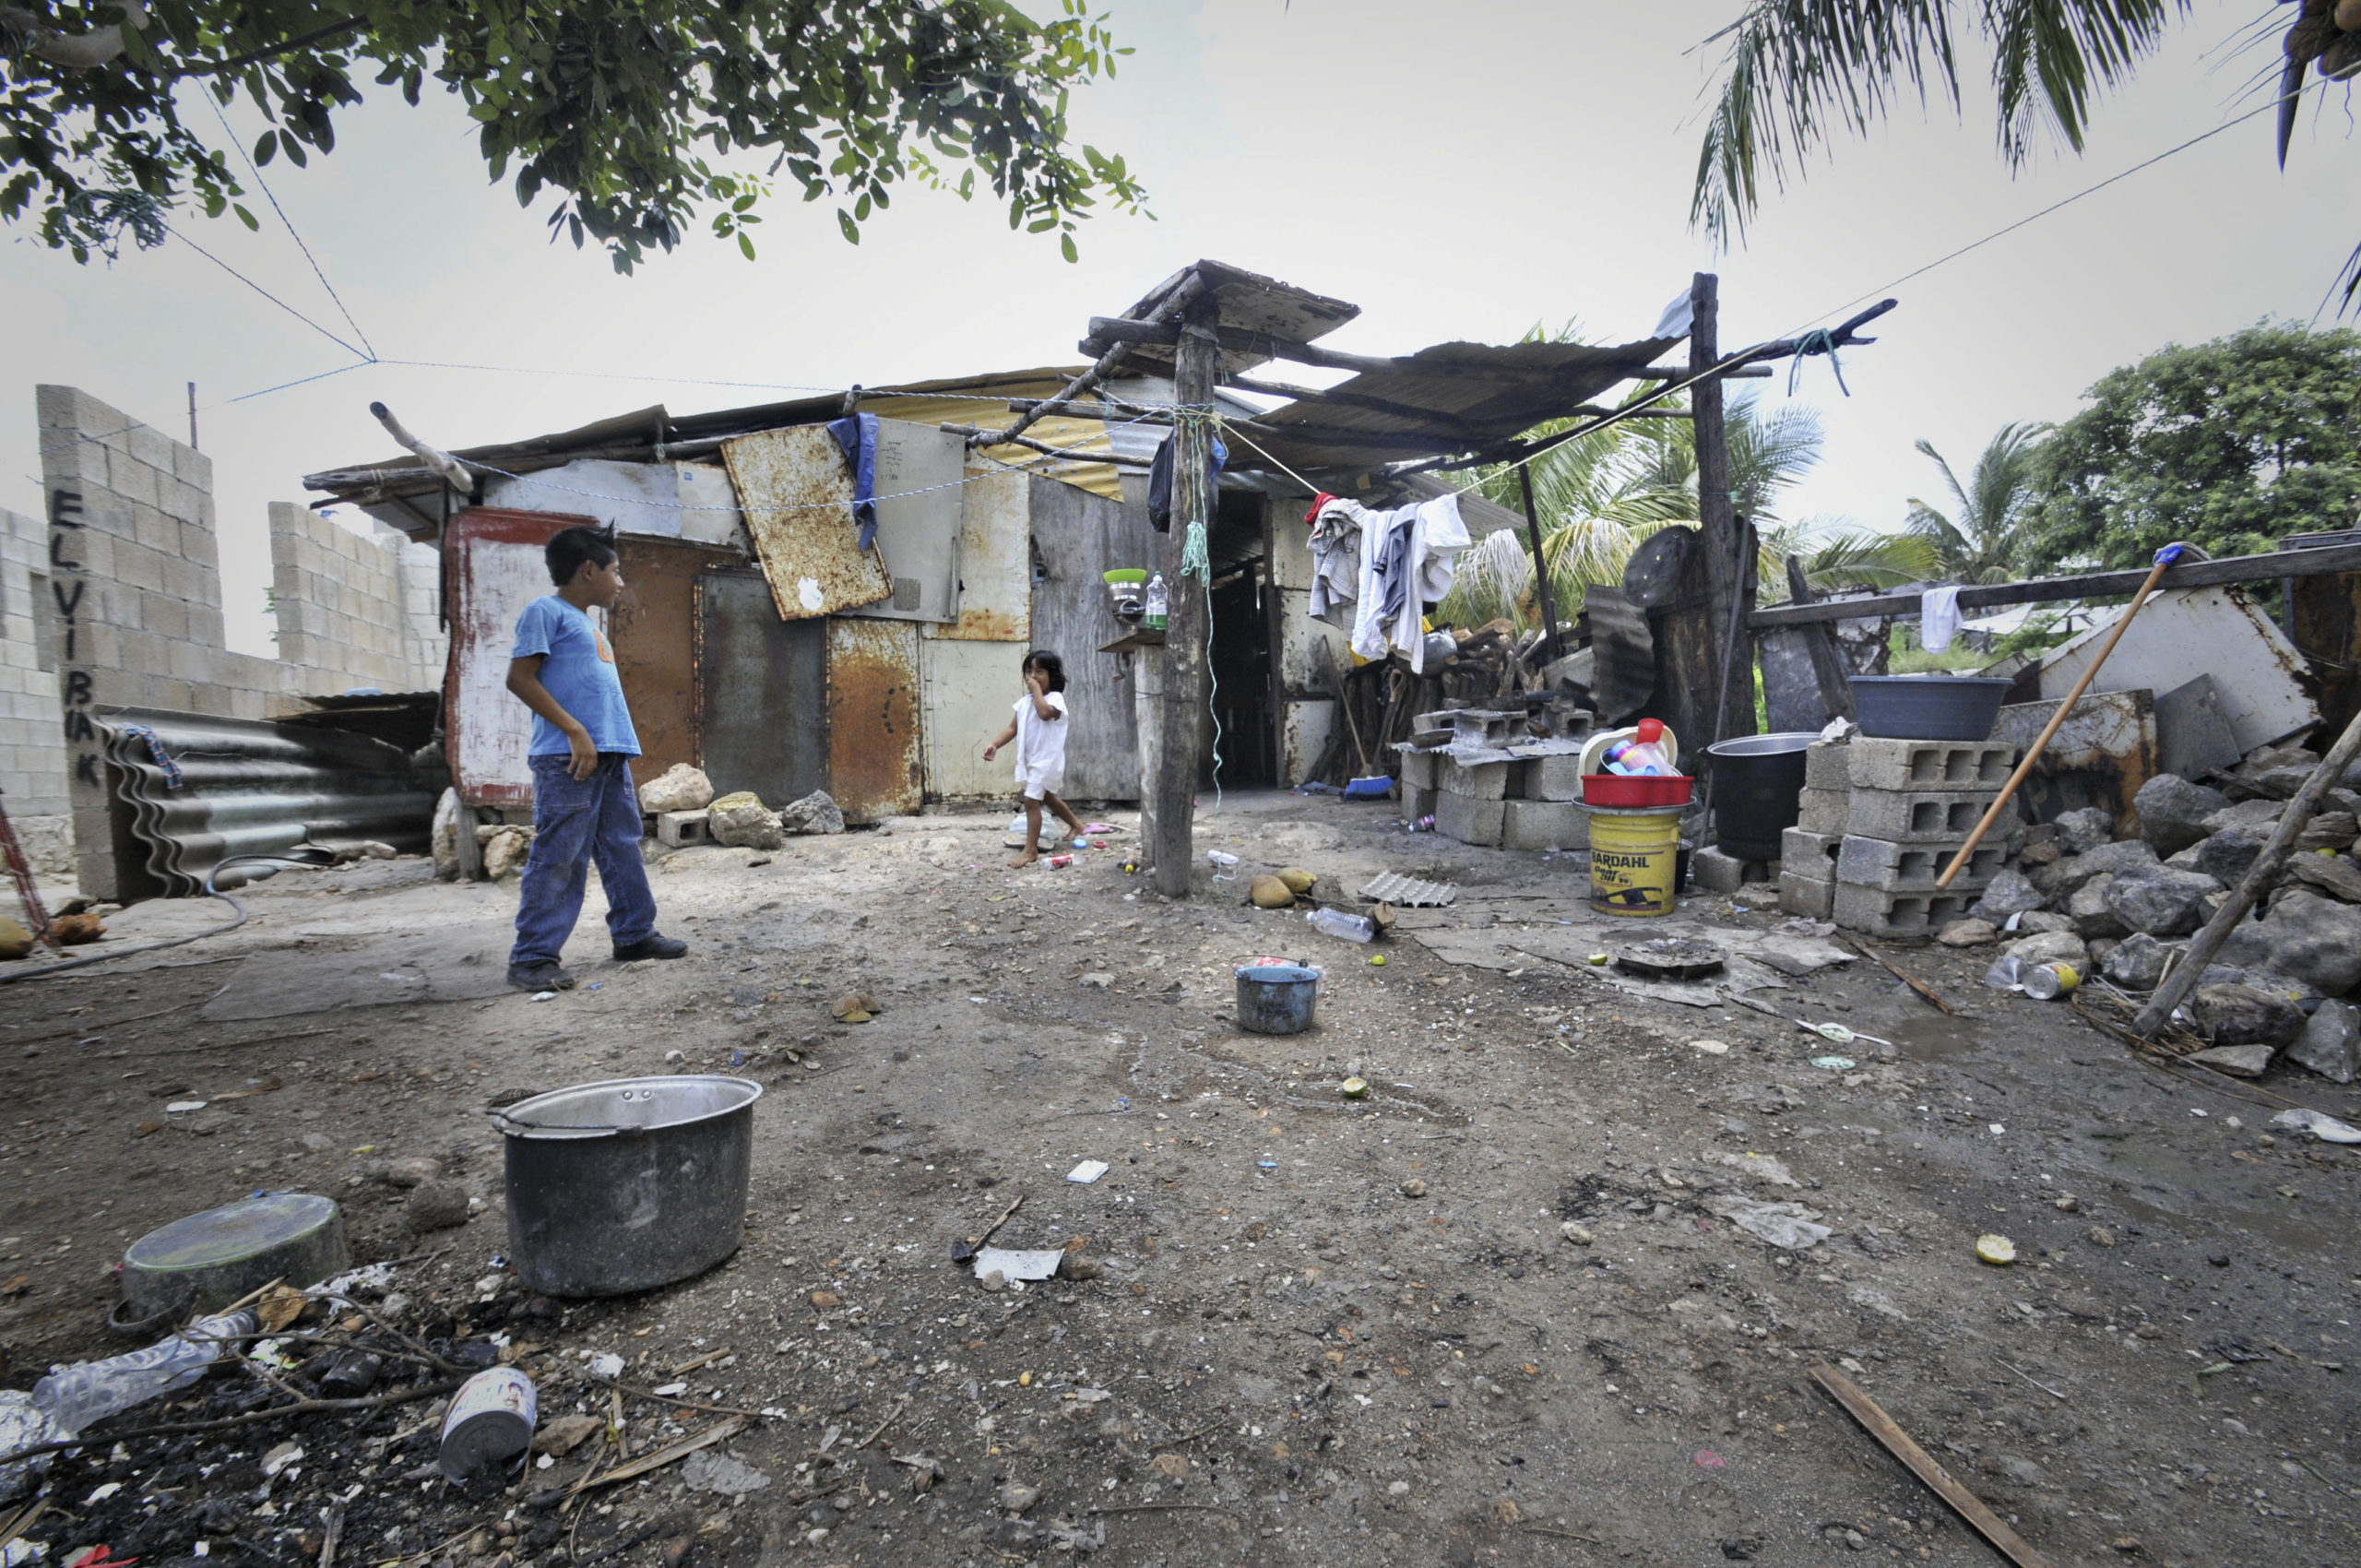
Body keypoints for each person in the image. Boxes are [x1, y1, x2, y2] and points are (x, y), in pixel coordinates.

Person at [502, 525, 687, 990]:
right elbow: (520, 679)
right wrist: (575, 731)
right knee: (560, 854)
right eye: (615, 571)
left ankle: (634, 933)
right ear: (589, 570)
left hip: (607, 756)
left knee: (622, 845)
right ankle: (533, 957)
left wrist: (609, 743)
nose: (621, 581)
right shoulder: (545, 612)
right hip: (570, 758)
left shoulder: (587, 623)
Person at [981, 648, 1086, 868]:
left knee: (1031, 801)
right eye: (1029, 671)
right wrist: (995, 745)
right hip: (1032, 760)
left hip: (1047, 761)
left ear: (1053, 676)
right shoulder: (1024, 702)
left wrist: (1037, 691)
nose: (1033, 676)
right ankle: (1076, 825)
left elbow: (1045, 713)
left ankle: (1031, 850)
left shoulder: (1055, 699)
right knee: (1046, 797)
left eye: (1039, 671)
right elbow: (1012, 728)